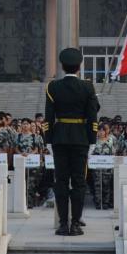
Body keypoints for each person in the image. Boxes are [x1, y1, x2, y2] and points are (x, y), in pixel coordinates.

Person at [43, 47, 100, 236]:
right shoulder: (88, 87)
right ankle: (75, 223)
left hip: (59, 138)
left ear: (62, 66)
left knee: (61, 181)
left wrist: (48, 140)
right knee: (78, 182)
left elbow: (48, 117)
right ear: (79, 66)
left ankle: (62, 224)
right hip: (81, 139)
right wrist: (92, 140)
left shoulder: (53, 87)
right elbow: (92, 117)